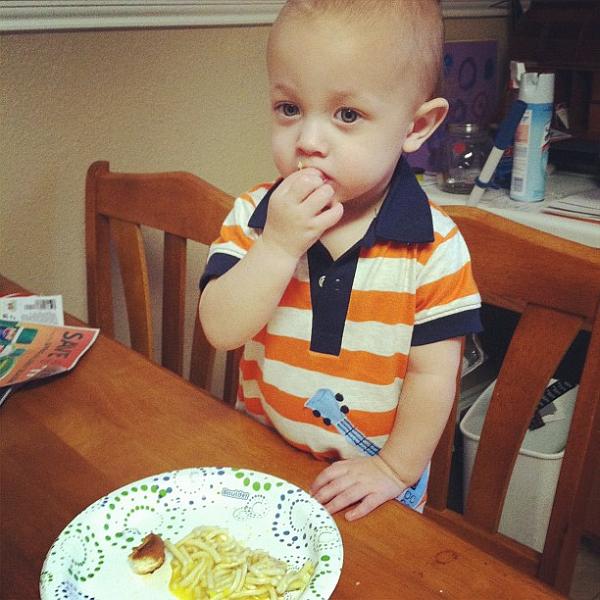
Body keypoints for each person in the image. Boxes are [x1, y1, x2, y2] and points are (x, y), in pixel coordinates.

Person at [199, 0, 482, 520]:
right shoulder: (255, 216)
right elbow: (221, 330)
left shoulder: (435, 247)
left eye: (347, 114)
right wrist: (278, 245)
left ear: (416, 126)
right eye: (289, 108)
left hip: (372, 491)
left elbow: (433, 378)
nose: (308, 142)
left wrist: (393, 469)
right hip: (263, 459)